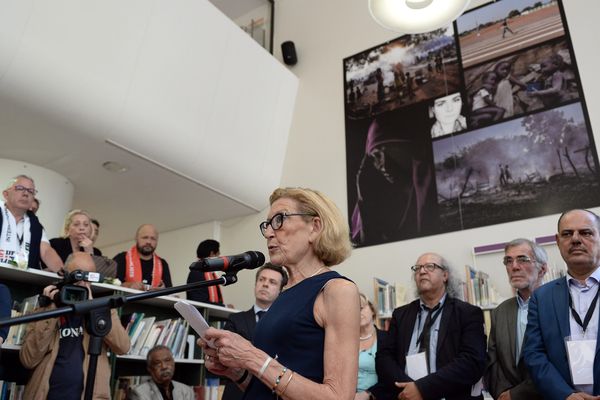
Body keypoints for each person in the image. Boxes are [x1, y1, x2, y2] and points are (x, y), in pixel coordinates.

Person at [200, 187, 360, 400]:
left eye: (279, 220)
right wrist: (235, 371)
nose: (268, 233)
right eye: (267, 224)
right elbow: (269, 388)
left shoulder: (337, 290)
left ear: (314, 227)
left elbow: (338, 397)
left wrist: (251, 356)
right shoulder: (283, 295)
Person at [19, 252, 130, 399]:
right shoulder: (44, 310)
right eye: (78, 276)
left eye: (88, 277)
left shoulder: (104, 310)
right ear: (64, 274)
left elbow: (123, 347)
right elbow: (28, 359)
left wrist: (93, 308)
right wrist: (52, 308)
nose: (83, 283)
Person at [376, 252, 487, 400]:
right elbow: (384, 358)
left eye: (430, 266)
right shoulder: (400, 315)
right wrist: (408, 389)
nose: (422, 271)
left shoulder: (468, 313)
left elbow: (472, 362)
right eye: (417, 268)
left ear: (445, 276)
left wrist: (422, 389)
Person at [523, 209, 600, 399]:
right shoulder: (541, 297)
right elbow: (534, 354)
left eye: (585, 232)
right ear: (558, 242)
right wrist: (565, 395)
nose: (575, 239)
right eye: (567, 234)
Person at [351, 111, 438, 246]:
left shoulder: (434, 190)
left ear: (410, 149)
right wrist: (364, 199)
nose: (384, 165)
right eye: (376, 155)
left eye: (392, 151)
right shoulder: (381, 199)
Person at [485, 238, 547, 400]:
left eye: (522, 259)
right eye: (508, 261)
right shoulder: (500, 312)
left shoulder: (557, 305)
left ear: (542, 269)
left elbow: (559, 362)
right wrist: (501, 393)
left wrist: (517, 394)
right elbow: (493, 362)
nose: (514, 266)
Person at [222, 263, 288, 400]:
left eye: (272, 282)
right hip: (235, 394)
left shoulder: (286, 324)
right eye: (261, 279)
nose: (265, 284)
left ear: (280, 291)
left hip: (269, 393)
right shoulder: (235, 319)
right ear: (255, 284)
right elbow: (227, 355)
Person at [0, 175, 62, 271]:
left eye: (31, 191)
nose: (26, 193)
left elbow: (46, 251)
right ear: (6, 194)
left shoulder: (35, 224)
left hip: (24, 279)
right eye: (20, 188)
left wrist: (64, 273)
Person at [113, 224, 172, 290]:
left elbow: (169, 292)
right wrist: (129, 285)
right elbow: (110, 284)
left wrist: (163, 290)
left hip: (153, 300)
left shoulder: (163, 264)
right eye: (145, 237)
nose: (148, 242)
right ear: (136, 238)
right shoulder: (122, 258)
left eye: (153, 239)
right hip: (128, 299)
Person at [355, 293, 388, 400]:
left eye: (361, 308)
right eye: (353, 309)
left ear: (372, 310)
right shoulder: (345, 342)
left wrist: (368, 394)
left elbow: (391, 377)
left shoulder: (387, 339)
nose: (358, 312)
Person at [130, 345, 194, 400]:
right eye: (157, 363)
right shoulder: (139, 393)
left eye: (167, 360)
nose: (164, 366)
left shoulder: (187, 391)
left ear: (173, 363)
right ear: (150, 369)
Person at [186, 239, 224, 304]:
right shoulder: (197, 273)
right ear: (212, 254)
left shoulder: (211, 274)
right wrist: (224, 307)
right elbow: (199, 301)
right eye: (218, 254)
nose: (219, 257)